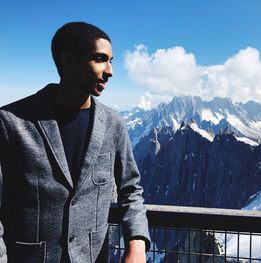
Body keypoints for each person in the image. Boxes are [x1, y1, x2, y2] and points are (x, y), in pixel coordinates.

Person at [0, 22, 150, 262]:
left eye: (111, 60)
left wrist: (138, 243)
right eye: (100, 59)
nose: (110, 71)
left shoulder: (114, 124)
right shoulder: (10, 122)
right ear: (68, 60)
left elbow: (131, 190)